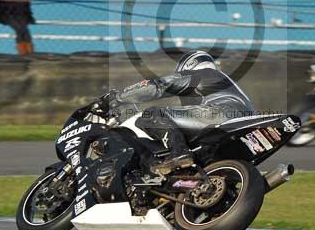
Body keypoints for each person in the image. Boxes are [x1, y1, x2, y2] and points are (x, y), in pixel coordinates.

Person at [101, 50, 254, 175]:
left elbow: (159, 86)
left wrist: (119, 97)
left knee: (150, 115)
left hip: (223, 114)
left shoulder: (202, 74)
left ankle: (179, 152)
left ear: (189, 65)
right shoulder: (222, 81)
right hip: (243, 128)